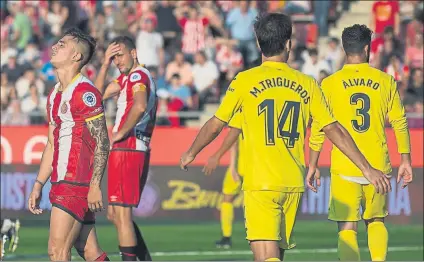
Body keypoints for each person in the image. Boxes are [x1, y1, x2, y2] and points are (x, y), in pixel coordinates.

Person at [180, 13, 391, 261]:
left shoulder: (245, 81)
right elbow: (334, 129)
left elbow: (216, 124)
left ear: (259, 44)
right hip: (292, 183)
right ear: (289, 44)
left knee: (265, 257)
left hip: (261, 183)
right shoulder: (307, 83)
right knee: (276, 256)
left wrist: (192, 151)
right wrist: (366, 168)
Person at [306, 24, 413, 261]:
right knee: (375, 221)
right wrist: (405, 159)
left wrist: (312, 164)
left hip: (345, 168)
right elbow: (400, 123)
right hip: (378, 165)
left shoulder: (329, 84)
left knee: (347, 227)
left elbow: (319, 129)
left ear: (345, 49)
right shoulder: (385, 81)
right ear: (367, 49)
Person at [27, 28, 110, 261]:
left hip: (76, 182)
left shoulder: (85, 92)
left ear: (76, 57)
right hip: (62, 181)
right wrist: (38, 183)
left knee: (57, 251)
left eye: (62, 44)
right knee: (89, 250)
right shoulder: (54, 95)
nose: (54, 46)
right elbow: (51, 144)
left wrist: (95, 185)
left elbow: (103, 141)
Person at [95, 36, 158, 261]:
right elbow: (95, 96)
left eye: (119, 55)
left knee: (121, 214)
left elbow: (140, 105)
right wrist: (103, 64)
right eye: (114, 58)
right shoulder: (128, 78)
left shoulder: (138, 76)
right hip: (128, 149)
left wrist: (121, 132)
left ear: (133, 53)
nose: (117, 61)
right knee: (115, 214)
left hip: (129, 148)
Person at [203, 113, 245, 249]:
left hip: (241, 166)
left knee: (227, 200)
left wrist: (233, 167)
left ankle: (227, 237)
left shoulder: (239, 114)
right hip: (255, 166)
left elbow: (233, 142)